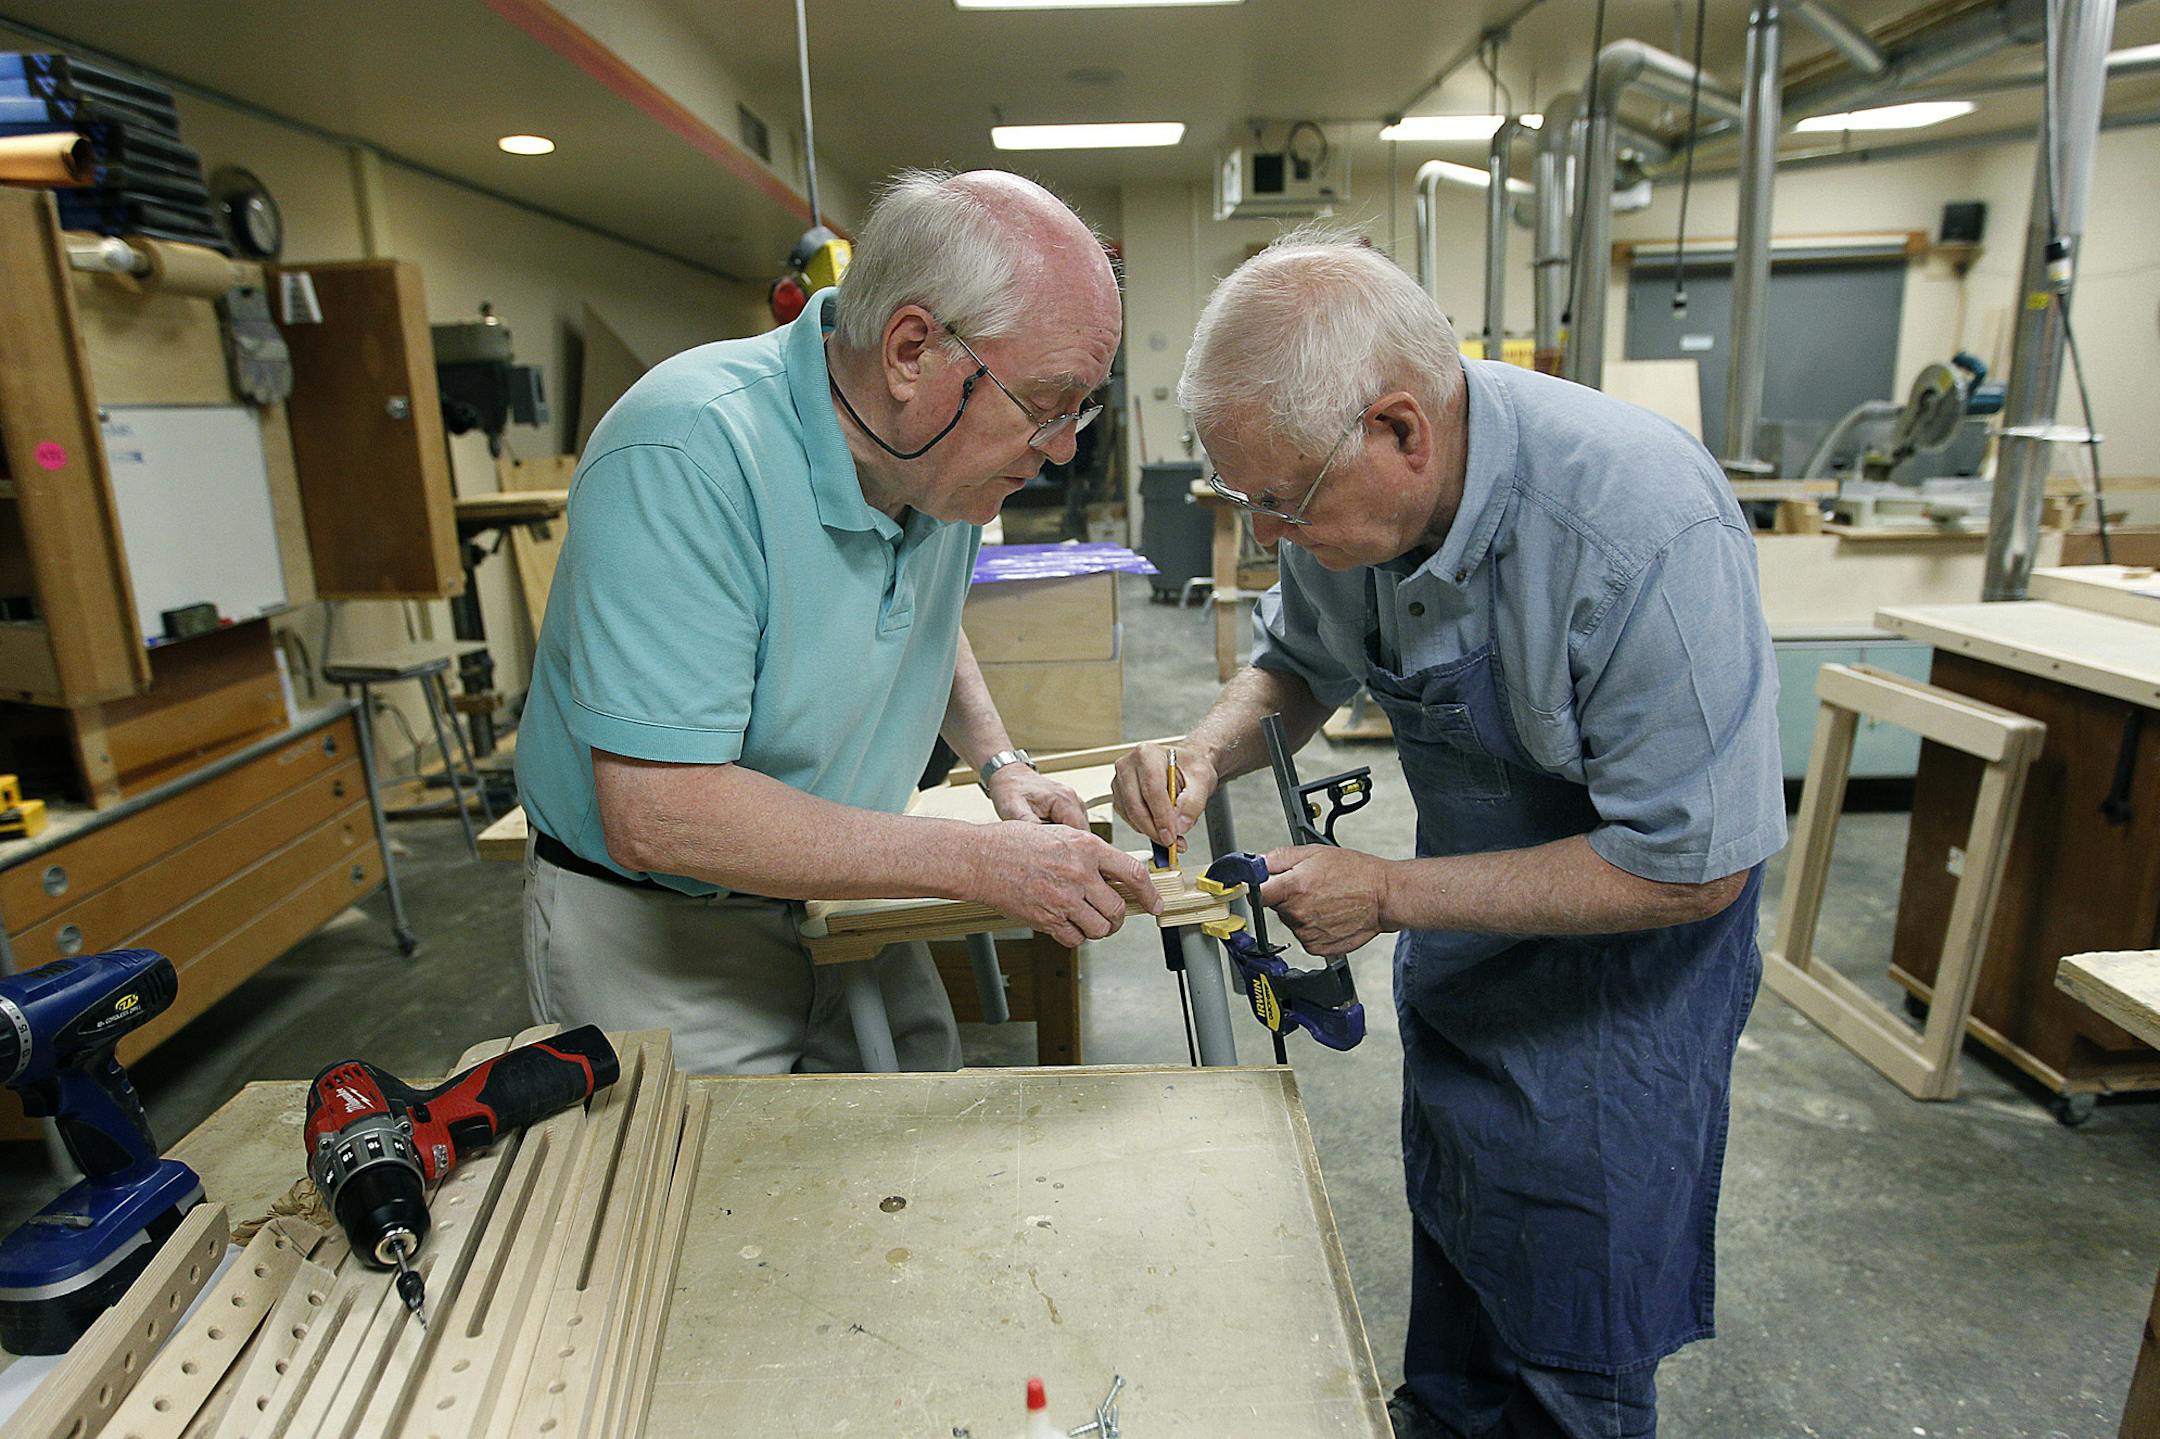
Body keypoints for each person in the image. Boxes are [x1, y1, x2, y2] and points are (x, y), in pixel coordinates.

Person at [1112, 229, 1784, 1438]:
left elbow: (1693, 865)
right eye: (1243, 501)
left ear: (1402, 430)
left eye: (1281, 503)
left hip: (1624, 997)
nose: (1267, 535)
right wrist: (1204, 746)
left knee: (1570, 1340)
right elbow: (1296, 659)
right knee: (1465, 1271)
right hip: (1474, 962)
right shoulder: (1347, 498)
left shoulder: (1641, 531)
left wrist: (1393, 893)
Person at [516, 169, 1158, 1076]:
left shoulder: (932, 459)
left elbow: (920, 609)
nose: (1064, 448)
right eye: (1048, 406)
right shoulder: (687, 452)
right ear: (910, 350)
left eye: (1080, 408)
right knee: (716, 1205)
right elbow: (661, 812)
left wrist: (1001, 764)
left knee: (909, 1158)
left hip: (852, 884)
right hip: (667, 936)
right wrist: (982, 864)